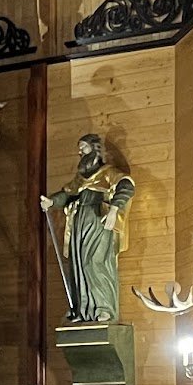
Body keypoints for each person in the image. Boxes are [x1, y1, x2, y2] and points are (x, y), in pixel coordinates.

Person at [42, 133, 135, 324]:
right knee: (78, 265)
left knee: (94, 262)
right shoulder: (80, 179)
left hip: (98, 219)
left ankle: (104, 308)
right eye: (79, 148)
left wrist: (114, 209)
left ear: (95, 149)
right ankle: (83, 310)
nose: (80, 152)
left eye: (83, 147)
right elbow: (68, 194)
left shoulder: (108, 172)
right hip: (79, 222)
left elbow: (126, 186)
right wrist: (52, 201)